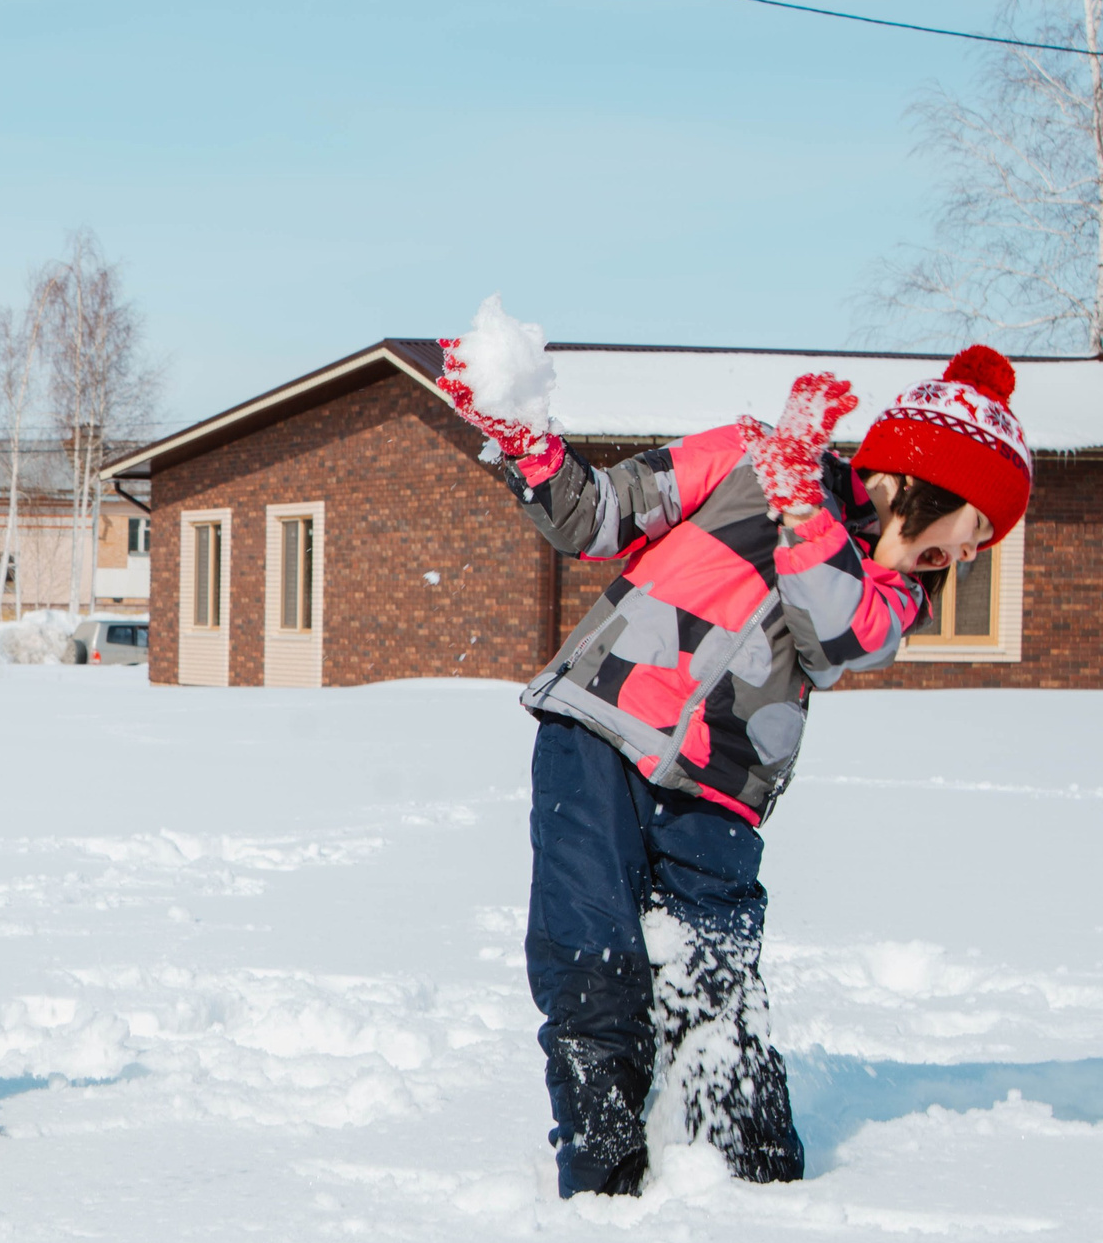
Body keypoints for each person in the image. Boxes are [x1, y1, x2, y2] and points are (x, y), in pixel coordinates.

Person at [437, 340, 1031, 1198]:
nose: (969, 555)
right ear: (932, 477)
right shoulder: (751, 453)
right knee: (590, 959)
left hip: (720, 791)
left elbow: (834, 634)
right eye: (975, 528)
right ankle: (601, 1194)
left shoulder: (896, 593)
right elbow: (595, 519)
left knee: (712, 988)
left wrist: (804, 511)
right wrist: (522, 436)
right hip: (596, 730)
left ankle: (754, 1200)